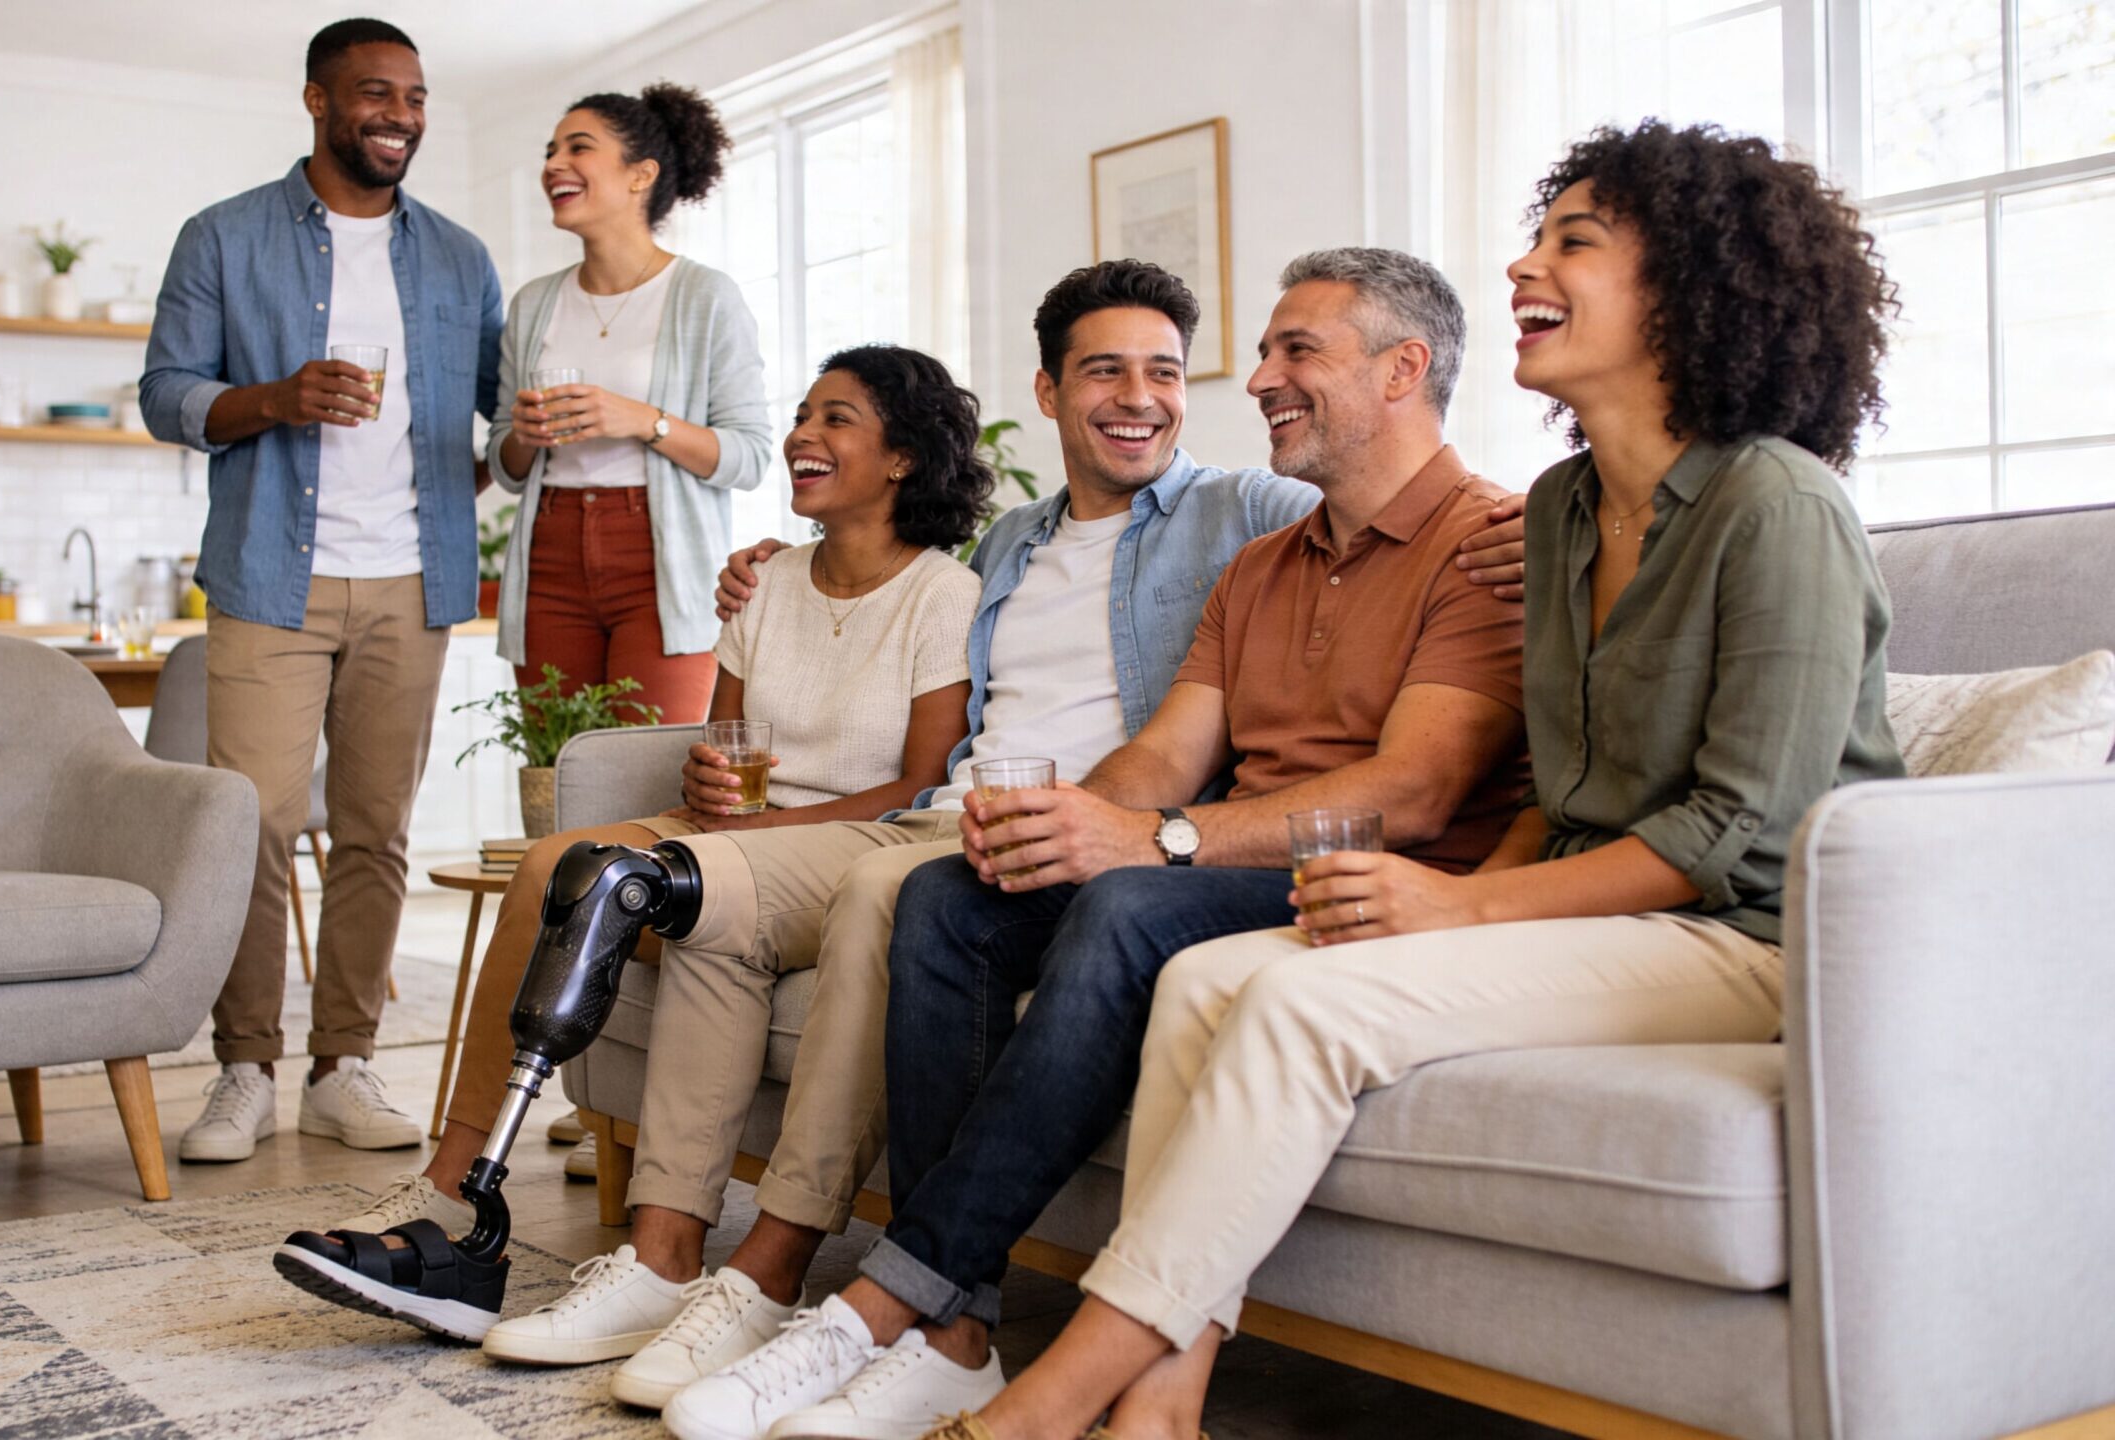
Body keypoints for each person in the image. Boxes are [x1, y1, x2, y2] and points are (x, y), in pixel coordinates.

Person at [938, 120, 1905, 1440]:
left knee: (1298, 1011)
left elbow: (1740, 831)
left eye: (1574, 241)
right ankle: (1157, 1416)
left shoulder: (1777, 502)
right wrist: (1427, 891)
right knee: (1212, 976)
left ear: (1689, 282)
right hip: (1607, 907)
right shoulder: (1559, 515)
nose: (1522, 266)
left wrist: (1455, 909)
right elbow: (1563, 797)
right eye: (1535, 234)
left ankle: (1042, 1410)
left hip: (1744, 935)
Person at [473, 259, 1534, 1425]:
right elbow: (1162, 750)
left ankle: (885, 1298)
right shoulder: (1205, 560)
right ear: (1046, 389)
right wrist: (1081, 824)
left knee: (1065, 900)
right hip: (1132, 831)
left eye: (1290, 353)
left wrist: (1136, 838)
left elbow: (1419, 790)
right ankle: (942, 1327)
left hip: (1342, 874)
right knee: (941, 897)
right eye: (1108, 369)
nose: (1258, 379)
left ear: (1404, 368)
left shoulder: (1364, 525)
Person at [278, 344, 990, 1324]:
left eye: (835, 420)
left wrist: (769, 822)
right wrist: (707, 771)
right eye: (802, 415)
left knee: (625, 885)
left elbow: (921, 779)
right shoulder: (768, 581)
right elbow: (724, 737)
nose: (800, 437)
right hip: (737, 827)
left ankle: (526, 1229)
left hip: (846, 837)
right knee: (550, 867)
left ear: (903, 457)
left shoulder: (940, 593)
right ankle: (451, 1180)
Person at [140, 18, 500, 1163]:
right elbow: (165, 397)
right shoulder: (224, 235)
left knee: (377, 830)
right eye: (373, 93)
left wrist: (532, 441)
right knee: (253, 828)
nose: (398, 114)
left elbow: (497, 417)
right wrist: (278, 399)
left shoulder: (457, 256)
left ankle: (344, 1066)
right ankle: (242, 1067)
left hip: (412, 572)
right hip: (267, 577)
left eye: (415, 95)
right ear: (317, 101)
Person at [485, 82, 776, 724]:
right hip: (550, 554)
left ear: (640, 174)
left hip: (659, 559)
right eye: (550, 150)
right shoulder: (534, 303)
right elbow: (505, 465)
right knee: (555, 767)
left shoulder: (705, 295)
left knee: (645, 771)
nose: (553, 164)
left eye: (578, 147)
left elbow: (751, 457)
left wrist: (642, 420)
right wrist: (525, 435)